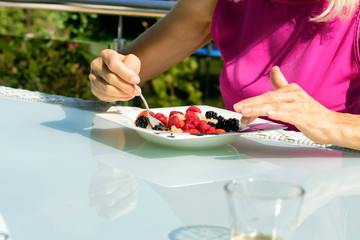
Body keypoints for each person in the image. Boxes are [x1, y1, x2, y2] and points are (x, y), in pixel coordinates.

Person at [89, 0, 360, 150]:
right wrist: (110, 78)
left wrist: (333, 123)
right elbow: (128, 70)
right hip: (238, 190)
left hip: (336, 199)